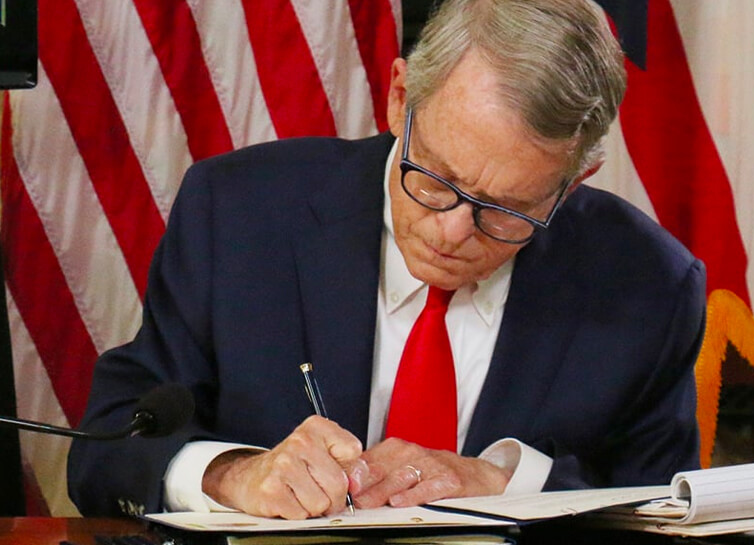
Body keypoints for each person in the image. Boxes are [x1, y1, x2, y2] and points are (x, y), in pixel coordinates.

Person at [67, 0, 706, 519]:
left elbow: (662, 506)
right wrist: (230, 475)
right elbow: (108, 448)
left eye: (507, 210)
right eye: (433, 179)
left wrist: (507, 483)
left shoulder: (650, 284)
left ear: (575, 179)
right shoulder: (238, 215)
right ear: (401, 98)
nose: (454, 231)